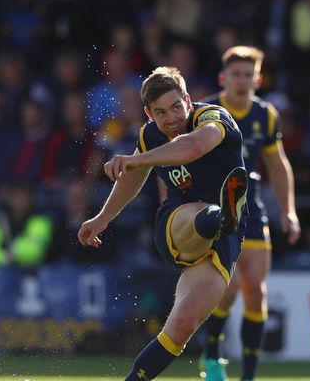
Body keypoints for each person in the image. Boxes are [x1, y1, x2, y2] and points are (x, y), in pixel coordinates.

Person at [78, 66, 249, 380]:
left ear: (187, 99)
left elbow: (194, 147)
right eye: (161, 112)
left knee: (182, 325)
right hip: (176, 226)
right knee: (199, 211)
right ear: (148, 113)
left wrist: (136, 159)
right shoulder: (149, 134)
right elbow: (132, 180)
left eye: (176, 107)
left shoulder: (213, 119)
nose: (171, 118)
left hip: (223, 243)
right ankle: (220, 216)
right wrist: (102, 218)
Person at [202, 46, 300, 381]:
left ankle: (249, 376)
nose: (242, 81)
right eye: (236, 74)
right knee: (226, 290)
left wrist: (288, 211)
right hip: (215, 207)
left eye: (248, 75)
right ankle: (211, 353)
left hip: (251, 205)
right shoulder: (207, 112)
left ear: (258, 79)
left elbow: (278, 164)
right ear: (223, 78)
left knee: (256, 291)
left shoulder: (266, 115)